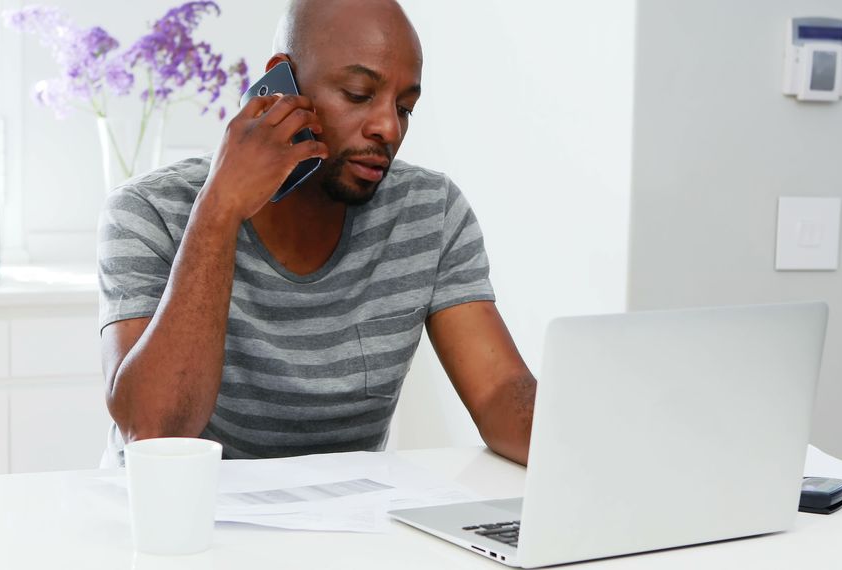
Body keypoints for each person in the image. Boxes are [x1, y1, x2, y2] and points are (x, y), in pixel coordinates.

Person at [97, 0, 537, 465]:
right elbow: (154, 431)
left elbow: (499, 393)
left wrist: (589, 443)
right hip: (181, 526)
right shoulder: (149, 211)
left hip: (344, 524)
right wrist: (220, 209)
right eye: (357, 93)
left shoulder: (430, 210)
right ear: (282, 85)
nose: (388, 127)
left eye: (405, 107)